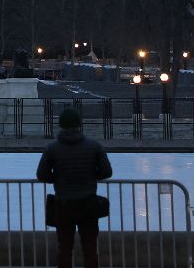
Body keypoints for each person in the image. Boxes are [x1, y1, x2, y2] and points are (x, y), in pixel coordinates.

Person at [37, 108, 113, 268]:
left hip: (63, 204)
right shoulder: (93, 146)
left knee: (64, 248)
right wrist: (91, 176)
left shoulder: (52, 148)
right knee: (90, 248)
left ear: (61, 125)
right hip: (88, 203)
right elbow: (107, 171)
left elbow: (41, 174)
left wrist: (58, 179)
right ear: (79, 124)